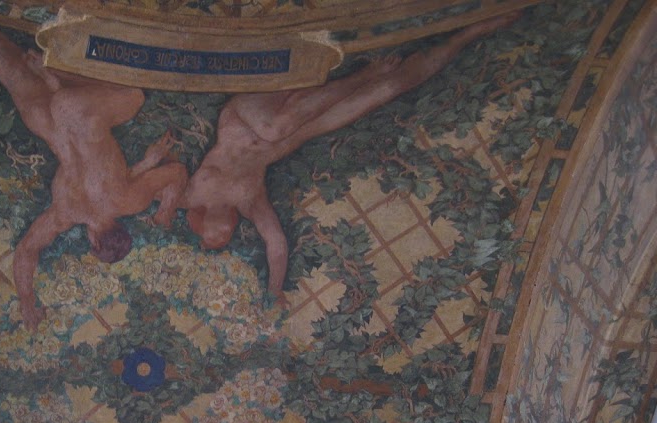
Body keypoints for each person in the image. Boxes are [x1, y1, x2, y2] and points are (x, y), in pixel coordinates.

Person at [0, 0, 188, 329]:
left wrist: (164, 211)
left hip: (81, 112)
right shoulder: (65, 213)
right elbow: (27, 251)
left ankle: (55, 69)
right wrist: (27, 301)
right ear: (94, 241)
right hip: (49, 120)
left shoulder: (130, 200)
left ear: (120, 229)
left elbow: (177, 174)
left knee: (135, 95)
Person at [183, 12, 519, 300]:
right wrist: (274, 292)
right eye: (224, 239)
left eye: (214, 237)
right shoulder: (249, 202)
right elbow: (276, 243)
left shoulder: (193, 194)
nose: (223, 235)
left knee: (275, 127)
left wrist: (162, 209)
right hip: (300, 126)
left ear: (200, 226)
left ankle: (366, 73)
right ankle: (468, 34)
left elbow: (164, 183)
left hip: (247, 115)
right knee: (388, 89)